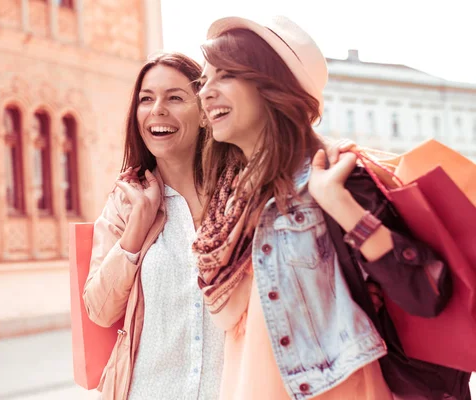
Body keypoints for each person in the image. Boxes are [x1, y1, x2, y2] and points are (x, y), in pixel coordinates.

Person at [193, 16, 467, 399]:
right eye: (203, 80)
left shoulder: (337, 177)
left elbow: (426, 291)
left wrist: (339, 203)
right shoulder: (229, 205)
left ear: (271, 85)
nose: (206, 92)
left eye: (225, 75)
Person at [82, 52, 225, 400]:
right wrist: (137, 227)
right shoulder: (125, 203)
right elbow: (99, 311)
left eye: (175, 97)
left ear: (205, 113)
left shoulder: (237, 196)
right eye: (147, 99)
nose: (157, 109)